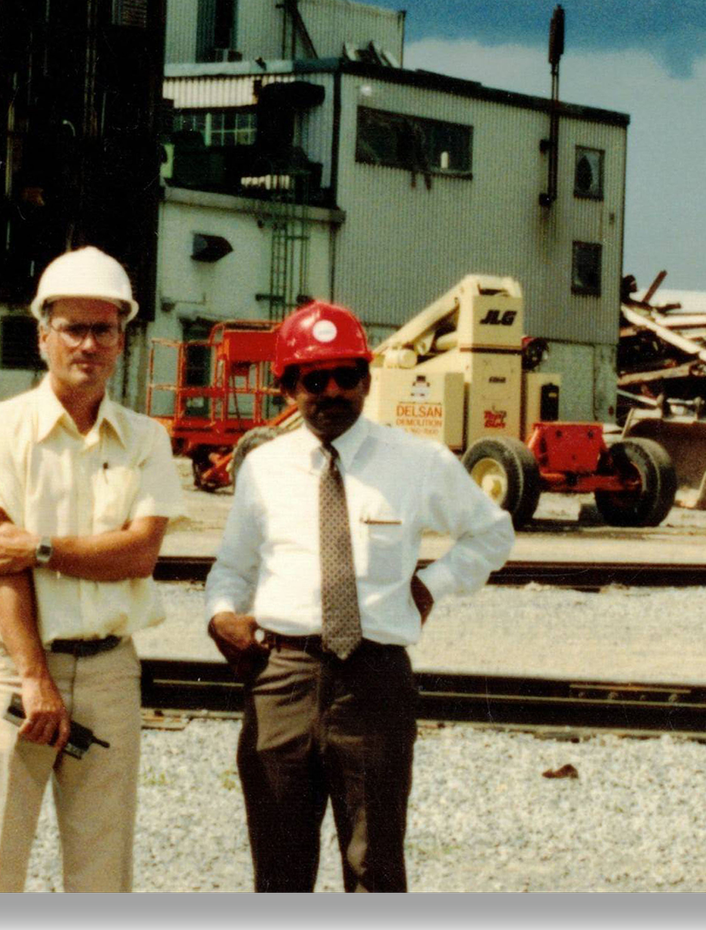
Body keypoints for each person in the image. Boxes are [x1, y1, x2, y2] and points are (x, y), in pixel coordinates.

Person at [205, 300, 515, 892]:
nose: (331, 391)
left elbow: (491, 532)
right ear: (290, 388)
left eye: (346, 376)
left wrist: (431, 584)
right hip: (282, 679)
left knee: (374, 867)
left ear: (367, 381)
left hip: (374, 682)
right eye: (313, 379)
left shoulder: (418, 462)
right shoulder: (264, 468)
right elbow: (231, 569)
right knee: (279, 869)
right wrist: (221, 615)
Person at [0, 246, 183, 892]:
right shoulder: (0, 430)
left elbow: (140, 553)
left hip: (109, 671)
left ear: (122, 337)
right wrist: (35, 678)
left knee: (102, 870)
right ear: (43, 335)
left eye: (103, 329)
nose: (88, 344)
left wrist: (41, 547)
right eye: (74, 329)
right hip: (12, 669)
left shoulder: (145, 440)